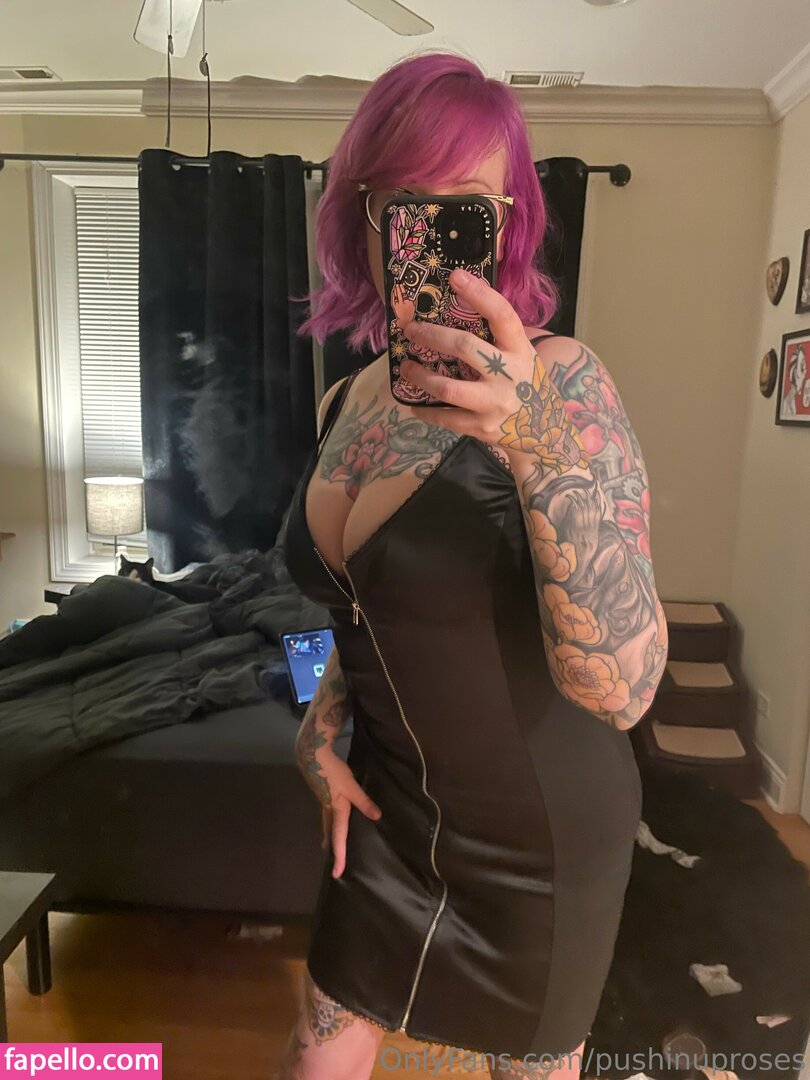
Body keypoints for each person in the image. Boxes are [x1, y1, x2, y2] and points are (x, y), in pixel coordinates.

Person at [276, 50, 668, 1080]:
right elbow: (352, 609)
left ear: (506, 223)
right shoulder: (346, 399)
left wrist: (533, 445)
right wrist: (316, 735)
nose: (427, 231)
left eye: (461, 205)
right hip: (390, 812)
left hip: (539, 839)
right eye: (401, 201)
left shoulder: (567, 383)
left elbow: (625, 688)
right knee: (312, 1058)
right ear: (363, 220)